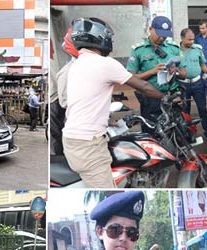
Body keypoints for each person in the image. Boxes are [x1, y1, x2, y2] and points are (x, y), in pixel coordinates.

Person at [64, 17, 165, 188]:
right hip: (89, 146)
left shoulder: (77, 64)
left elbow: (84, 100)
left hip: (76, 139)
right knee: (108, 193)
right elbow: (145, 87)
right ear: (98, 38)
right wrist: (165, 97)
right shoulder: (105, 63)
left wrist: (106, 119)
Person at [126, 16, 183, 133]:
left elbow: (184, 73)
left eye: (165, 35)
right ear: (150, 29)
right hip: (150, 99)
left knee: (176, 131)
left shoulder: (174, 48)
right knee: (152, 132)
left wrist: (175, 71)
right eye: (159, 34)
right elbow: (130, 77)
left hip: (172, 97)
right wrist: (151, 72)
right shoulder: (138, 50)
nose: (162, 38)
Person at [178, 28, 207, 144]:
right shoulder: (175, 50)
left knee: (203, 109)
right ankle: (188, 135)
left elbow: (203, 65)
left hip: (197, 83)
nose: (191, 42)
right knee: (185, 112)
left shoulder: (197, 49)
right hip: (183, 85)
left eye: (193, 39)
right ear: (182, 38)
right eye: (189, 39)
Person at [50, 28, 78, 155]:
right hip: (54, 101)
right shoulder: (67, 72)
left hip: (57, 98)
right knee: (57, 136)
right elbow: (65, 102)